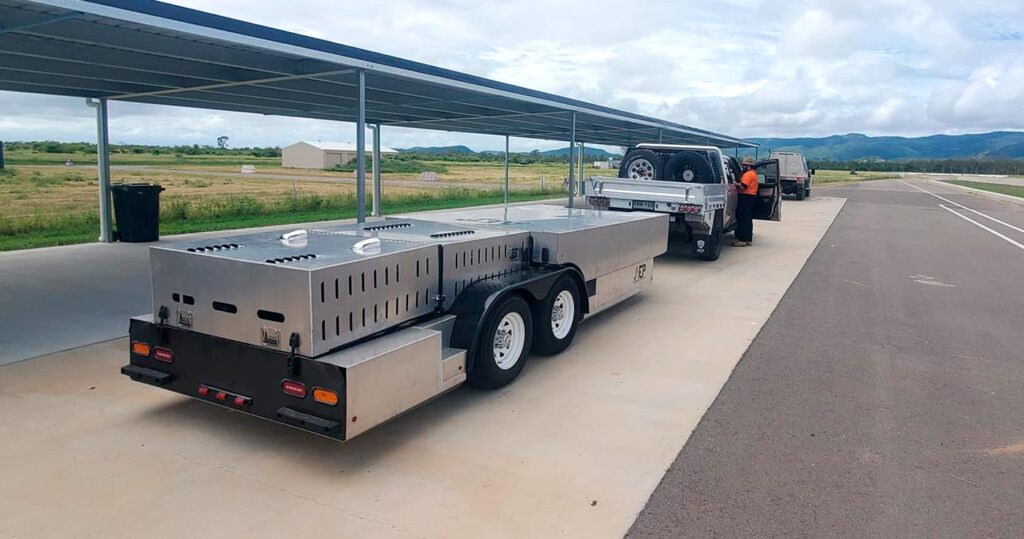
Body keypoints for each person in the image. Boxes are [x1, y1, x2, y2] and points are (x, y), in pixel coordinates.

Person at [733, 156, 758, 247]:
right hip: (751, 197)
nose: (743, 166)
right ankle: (748, 239)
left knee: (742, 218)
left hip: (745, 197)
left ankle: (742, 240)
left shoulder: (748, 174)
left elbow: (743, 186)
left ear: (748, 166)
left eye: (744, 165)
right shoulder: (754, 173)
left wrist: (735, 183)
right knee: (748, 219)